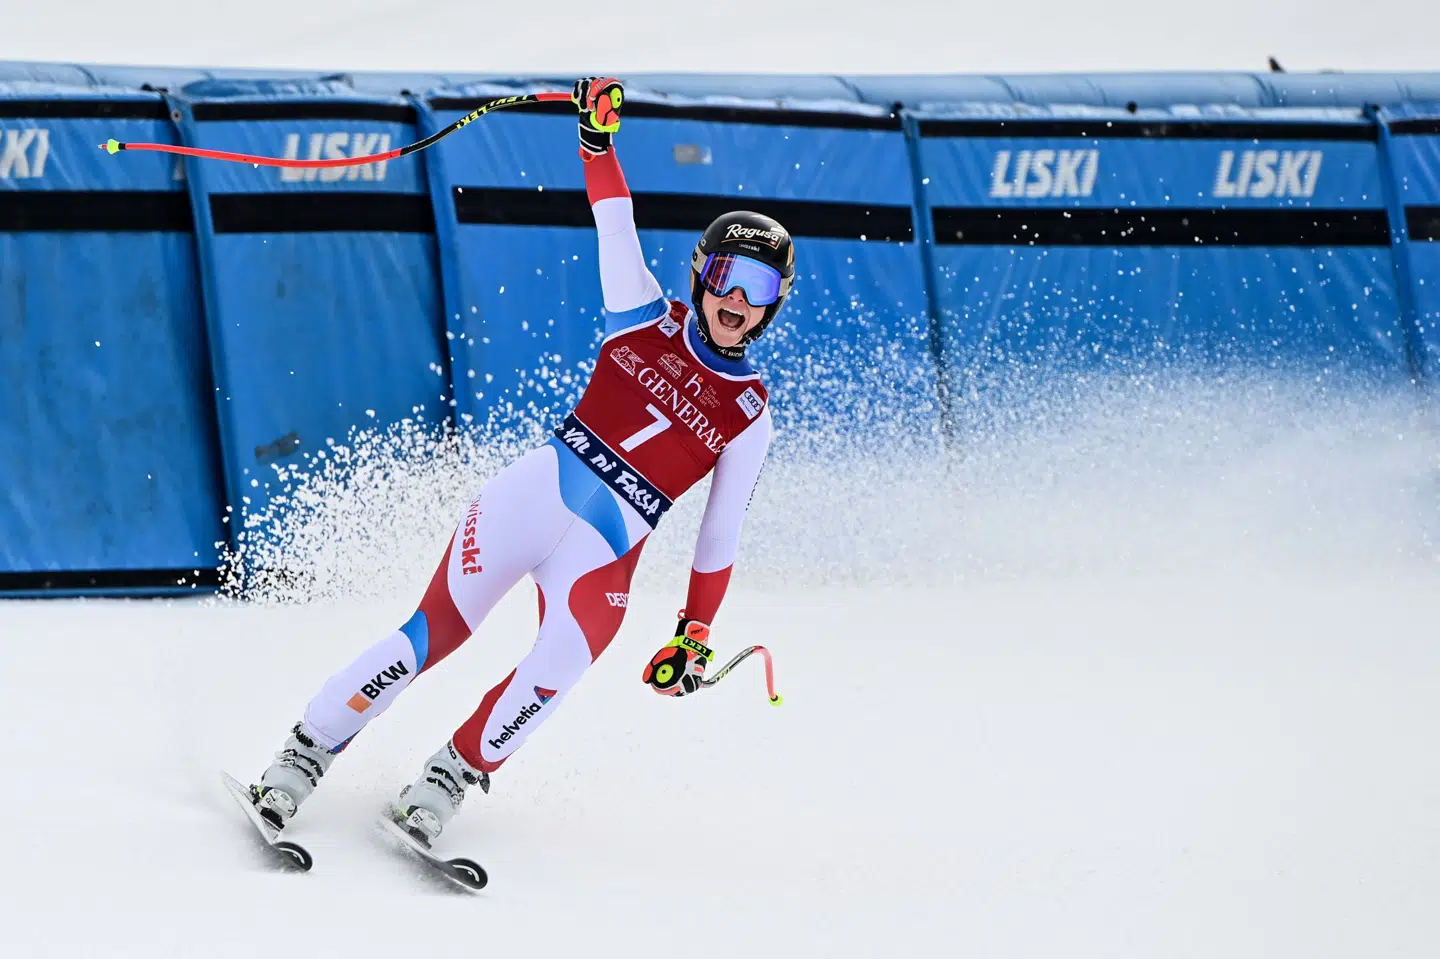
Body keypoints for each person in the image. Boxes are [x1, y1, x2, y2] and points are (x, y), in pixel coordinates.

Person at [244, 77, 796, 845]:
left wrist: (695, 631)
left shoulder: (750, 414)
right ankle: (300, 758)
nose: (738, 299)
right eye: (728, 279)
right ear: (701, 275)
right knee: (428, 636)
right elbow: (614, 215)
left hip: (607, 550)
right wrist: (595, 142)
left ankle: (444, 781)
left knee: (561, 667)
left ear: (773, 305)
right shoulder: (639, 309)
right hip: (534, 497)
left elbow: (719, 535)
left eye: (760, 287)